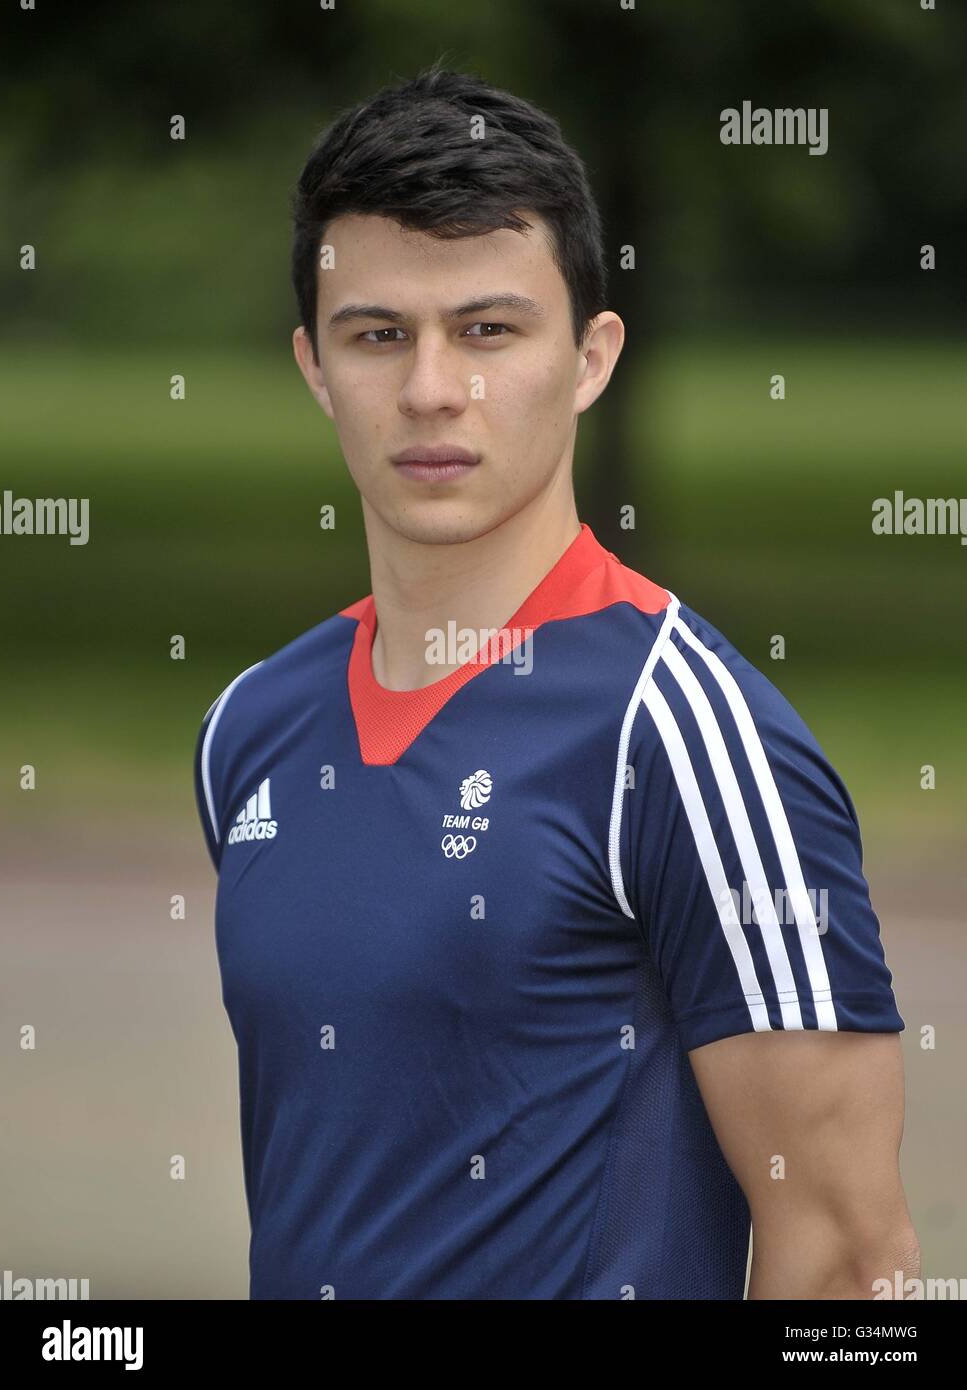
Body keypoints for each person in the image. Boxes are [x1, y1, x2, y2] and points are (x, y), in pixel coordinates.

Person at [194, 63, 917, 1300]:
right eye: (379, 335)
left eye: (488, 330)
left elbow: (853, 1260)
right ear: (315, 365)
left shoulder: (686, 733)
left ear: (590, 357)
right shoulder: (249, 726)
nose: (432, 389)